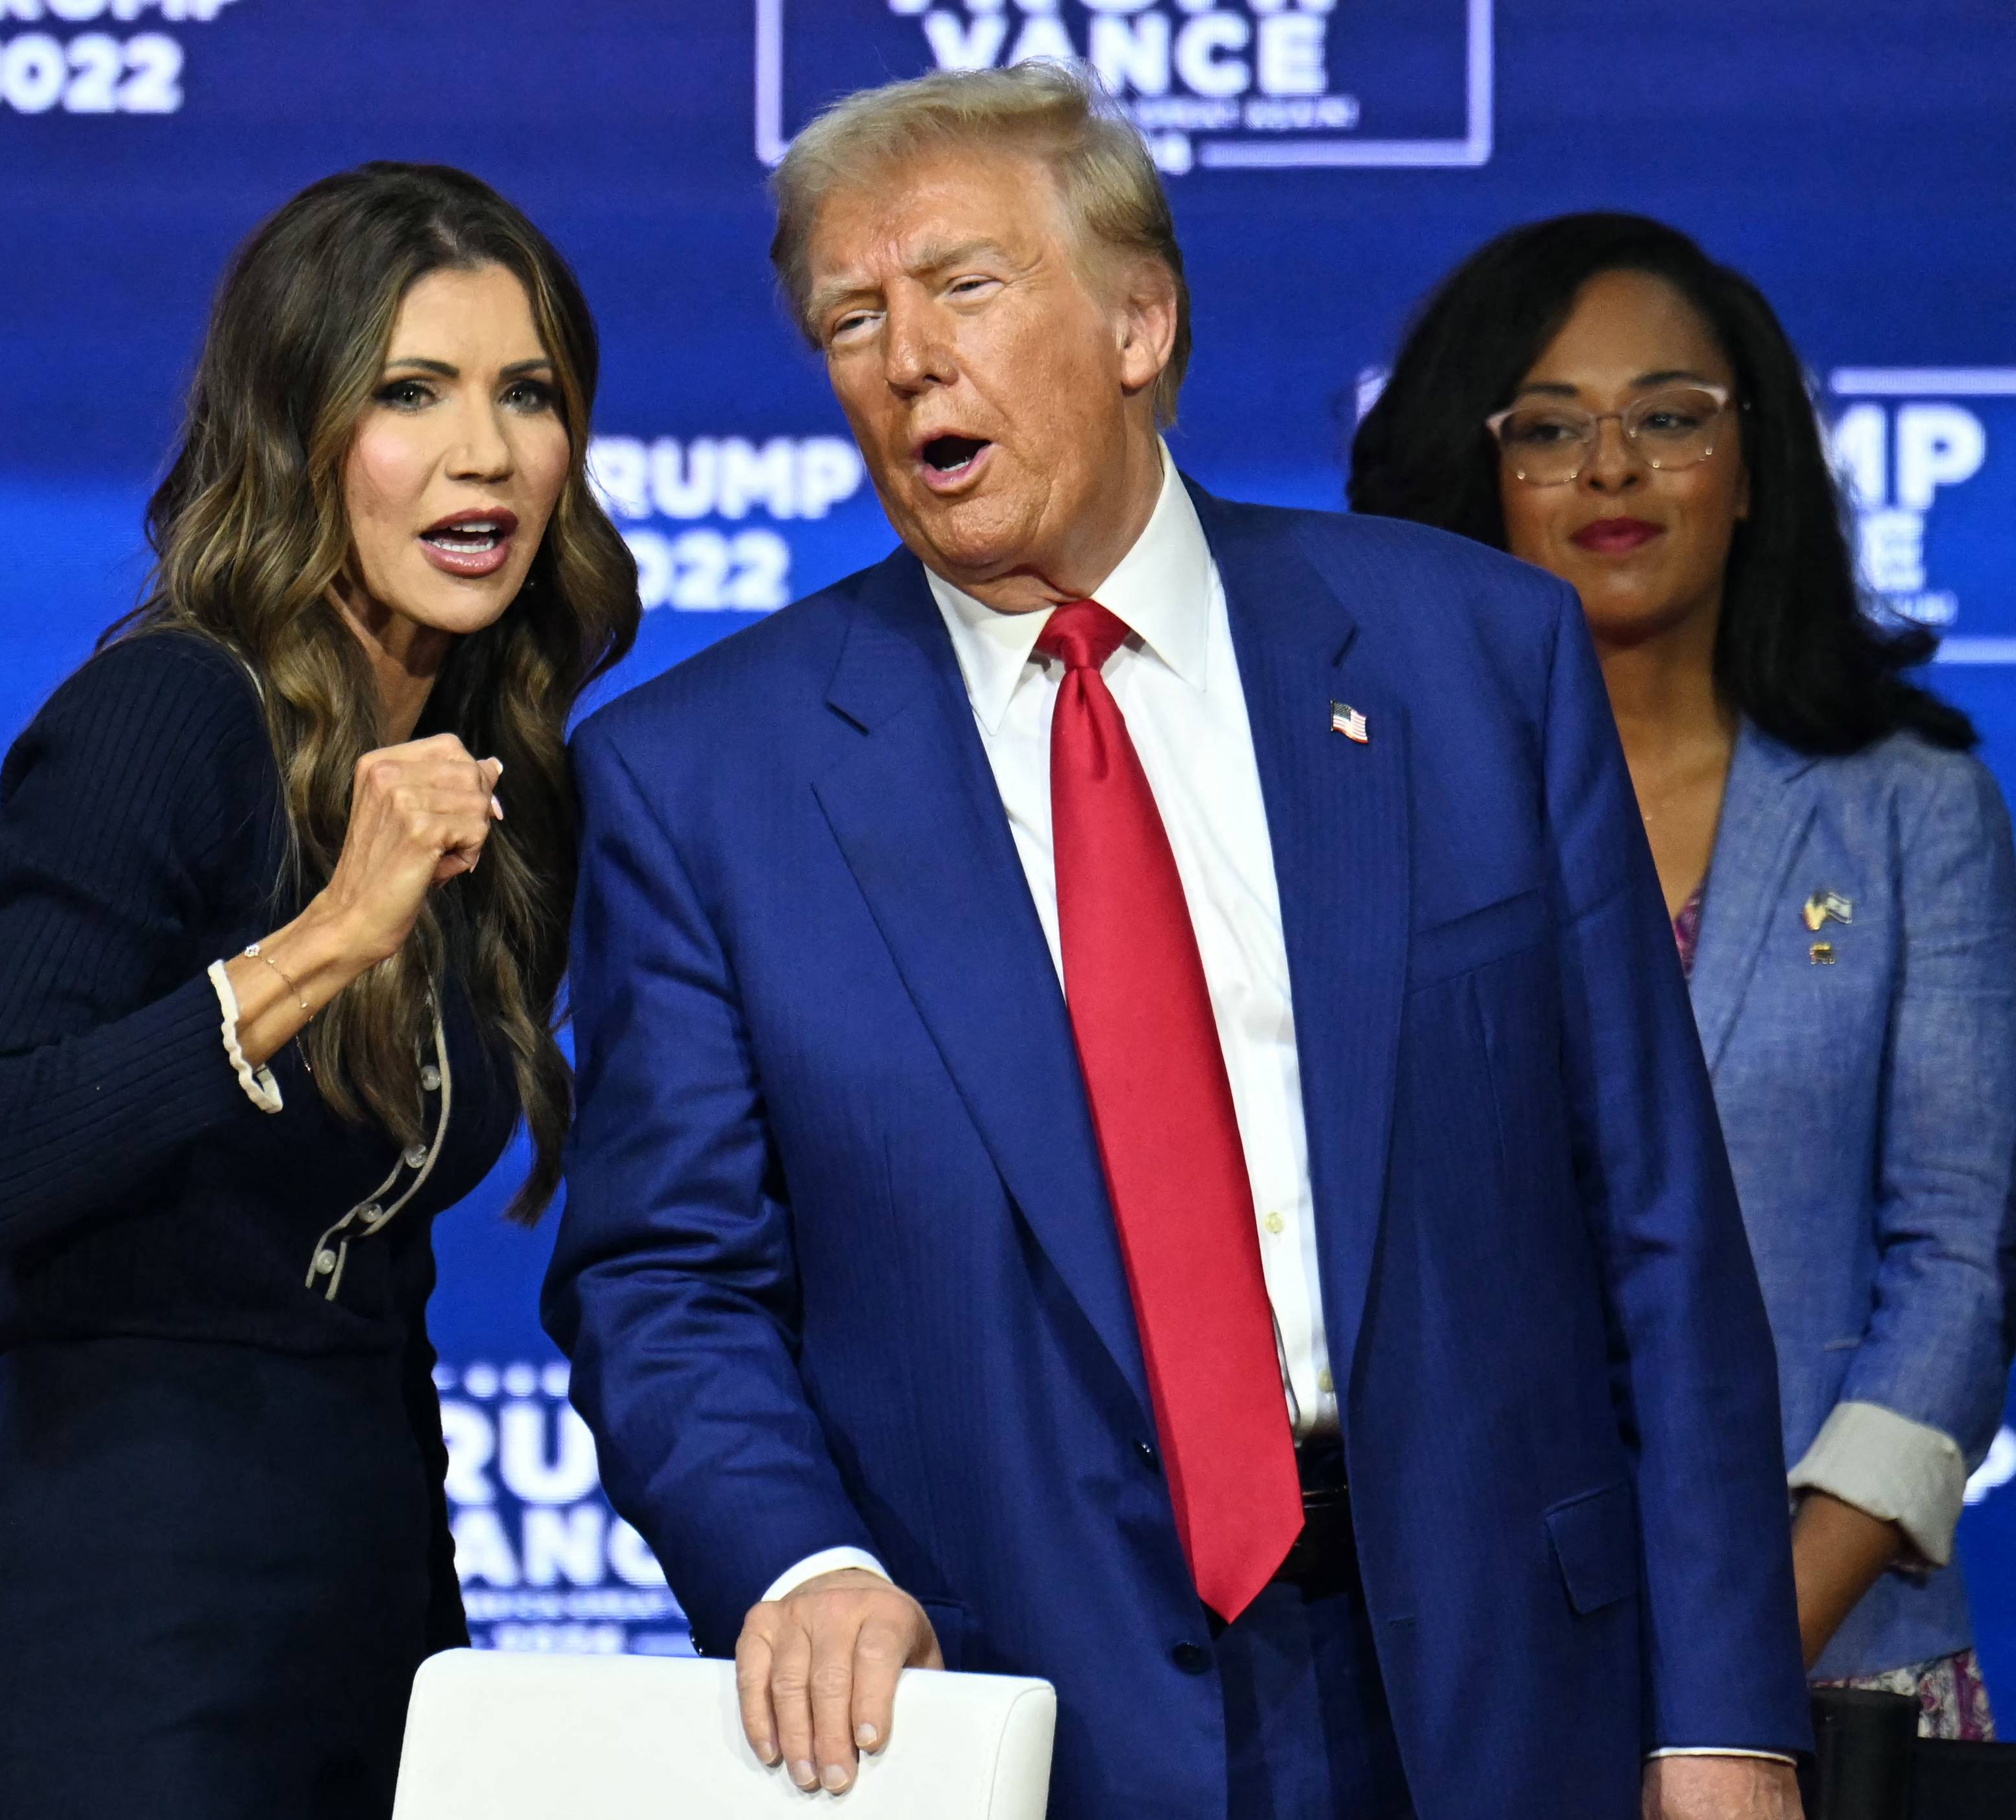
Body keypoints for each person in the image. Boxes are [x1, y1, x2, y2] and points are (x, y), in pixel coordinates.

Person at [544, 65, 1809, 1820]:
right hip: (1018, 1706)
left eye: (963, 288)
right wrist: (797, 1564)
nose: (906, 357)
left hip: (1503, 1686)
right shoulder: (704, 783)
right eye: (853, 315)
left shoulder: (1473, 663)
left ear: (1139, 320)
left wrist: (1726, 1715)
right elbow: (665, 1278)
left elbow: (1659, 1226)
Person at [0, 163, 638, 1819]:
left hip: (378, 1640)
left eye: (528, 394)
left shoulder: (496, 768)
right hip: (125, 1654)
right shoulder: (169, 717)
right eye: (410, 394)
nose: (485, 455)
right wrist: (320, 944)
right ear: (300, 433)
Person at [1349, 211, 2016, 1739]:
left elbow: (1959, 1268)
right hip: (1475, 1671)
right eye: (1550, 428)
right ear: (1477, 474)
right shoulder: (1370, 806)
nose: (1613, 471)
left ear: (1755, 462)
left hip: (1835, 1662)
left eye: (1668, 417)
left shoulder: (1915, 804)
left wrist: (1731, 1662)